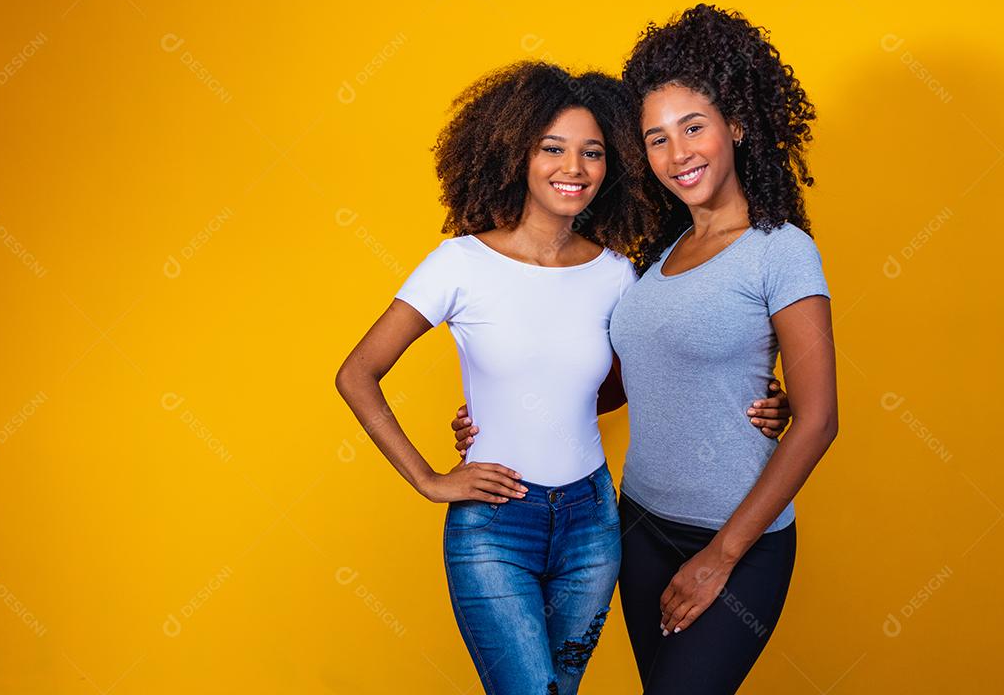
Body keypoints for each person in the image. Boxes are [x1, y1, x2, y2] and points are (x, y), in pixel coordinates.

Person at [338, 60, 789, 695]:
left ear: (613, 167)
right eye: (552, 148)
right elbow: (358, 373)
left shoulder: (616, 274)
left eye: (592, 153)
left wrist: (769, 397)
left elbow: (649, 372)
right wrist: (430, 480)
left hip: (594, 520)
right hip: (495, 522)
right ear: (516, 152)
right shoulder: (459, 263)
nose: (572, 169)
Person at [613, 4, 838, 693]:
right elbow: (627, 383)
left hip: (738, 545)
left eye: (693, 127)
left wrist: (722, 554)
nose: (677, 154)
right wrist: (502, 411)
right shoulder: (659, 257)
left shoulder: (782, 251)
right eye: (656, 138)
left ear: (735, 125)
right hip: (640, 527)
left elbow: (820, 417)